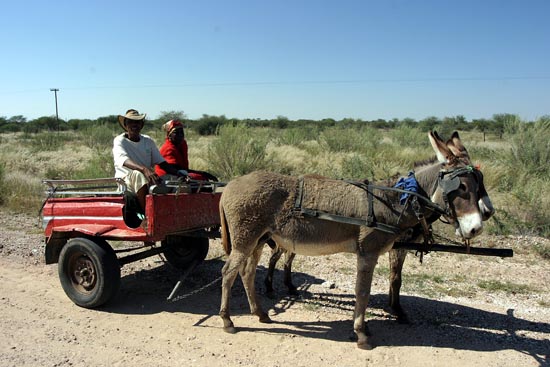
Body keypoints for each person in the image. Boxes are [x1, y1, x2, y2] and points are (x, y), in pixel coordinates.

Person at [113, 109, 185, 213]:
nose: (134, 125)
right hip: (126, 181)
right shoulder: (120, 141)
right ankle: (145, 215)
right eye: (131, 122)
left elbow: (161, 162)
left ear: (141, 125)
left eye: (137, 122)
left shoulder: (147, 141)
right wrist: (144, 169)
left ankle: (174, 214)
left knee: (176, 181)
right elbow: (123, 160)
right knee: (138, 175)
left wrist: (179, 173)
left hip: (147, 179)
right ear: (125, 124)